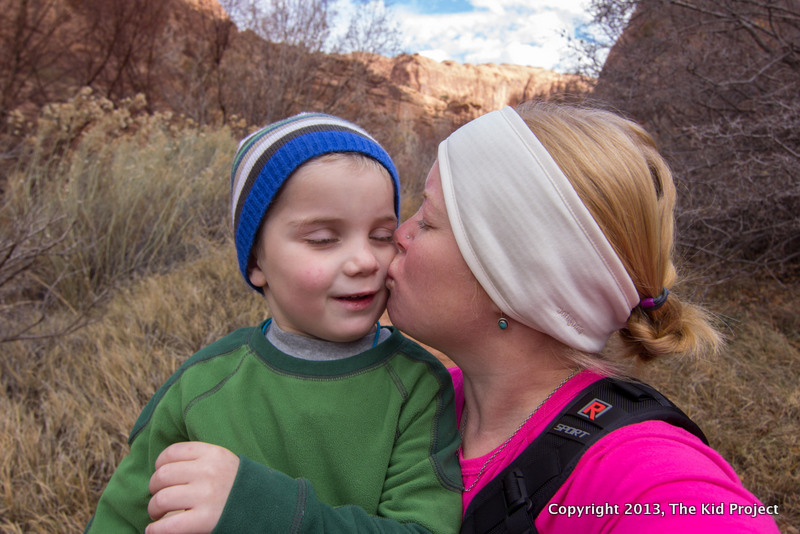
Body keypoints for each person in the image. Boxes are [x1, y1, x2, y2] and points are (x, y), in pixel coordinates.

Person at [385, 102, 781, 532]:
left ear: (516, 280)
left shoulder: (642, 478)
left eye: (427, 221)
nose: (399, 234)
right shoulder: (424, 397)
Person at [85, 112, 462, 533]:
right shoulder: (199, 386)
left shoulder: (418, 386)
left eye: (380, 236)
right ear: (256, 261)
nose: (365, 261)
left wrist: (265, 512)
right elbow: (122, 518)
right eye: (323, 239)